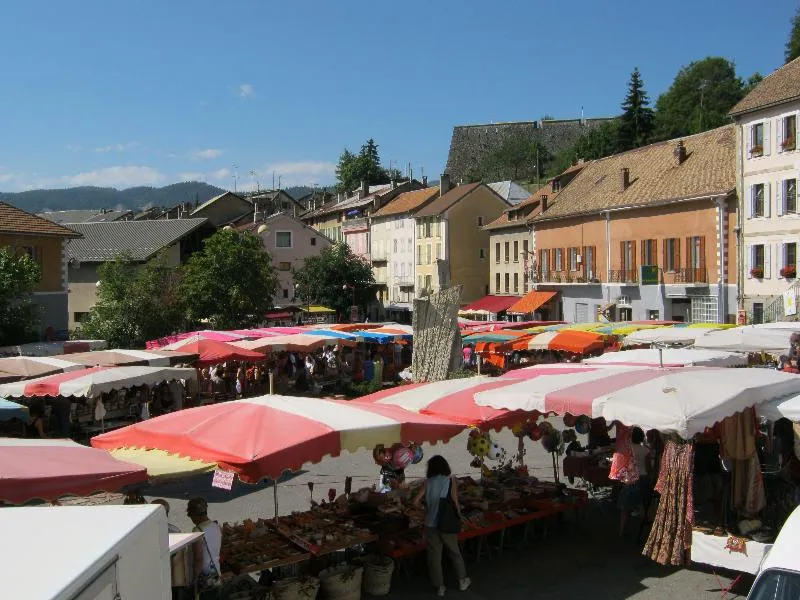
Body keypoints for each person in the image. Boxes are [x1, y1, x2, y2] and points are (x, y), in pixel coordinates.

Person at [413, 455, 470, 596]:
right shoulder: (450, 480)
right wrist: (460, 516)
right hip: (446, 523)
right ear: (445, 466)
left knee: (434, 556)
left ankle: (440, 587)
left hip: (430, 524)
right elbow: (455, 501)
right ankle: (462, 581)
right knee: (455, 553)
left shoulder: (428, 482)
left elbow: (415, 502)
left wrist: (425, 511)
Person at [618, 427, 650, 537]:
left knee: (625, 507)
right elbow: (648, 467)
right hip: (643, 477)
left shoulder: (628, 449)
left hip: (630, 478)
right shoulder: (646, 450)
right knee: (643, 504)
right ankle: (645, 531)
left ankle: (622, 531)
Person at [187, 497, 222, 596]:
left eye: (191, 516)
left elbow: (198, 558)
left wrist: (194, 578)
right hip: (216, 574)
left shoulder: (198, 530)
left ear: (194, 514)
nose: (192, 520)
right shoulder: (216, 526)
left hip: (204, 578)